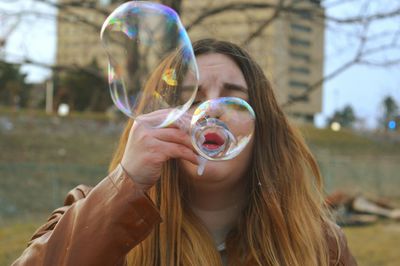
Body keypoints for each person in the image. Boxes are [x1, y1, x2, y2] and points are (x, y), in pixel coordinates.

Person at [12, 39, 357, 266]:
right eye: (190, 97)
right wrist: (126, 184)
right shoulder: (93, 212)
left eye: (234, 96)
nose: (210, 110)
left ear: (264, 130)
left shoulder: (321, 245)